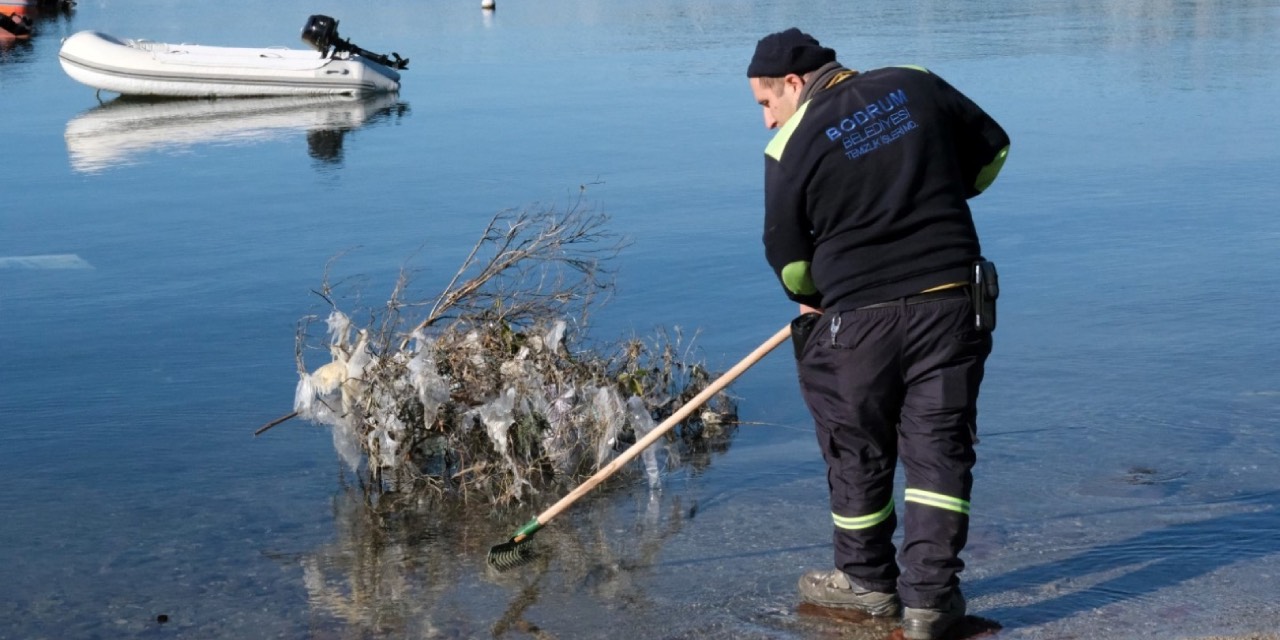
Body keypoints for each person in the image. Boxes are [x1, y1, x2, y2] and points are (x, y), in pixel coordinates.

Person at [746, 28, 1009, 640]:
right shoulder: (913, 80)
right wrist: (931, 186)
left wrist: (811, 300)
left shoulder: (789, 146)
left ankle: (866, 584)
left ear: (793, 84)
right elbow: (993, 151)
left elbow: (786, 258)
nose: (766, 120)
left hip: (857, 319)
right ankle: (930, 604)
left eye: (765, 103)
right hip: (950, 302)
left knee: (856, 444)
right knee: (939, 447)